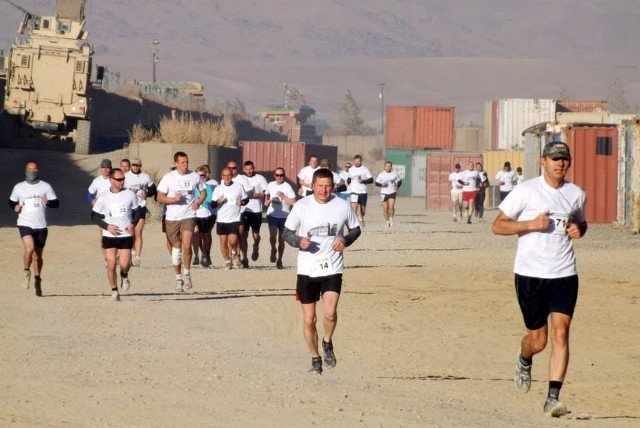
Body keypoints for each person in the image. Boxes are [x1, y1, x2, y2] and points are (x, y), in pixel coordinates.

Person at [492, 142, 587, 417]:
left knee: (561, 332)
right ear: (543, 161)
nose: (560, 163)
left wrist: (579, 229)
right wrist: (530, 224)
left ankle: (553, 397)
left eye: (565, 159)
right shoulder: (526, 191)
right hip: (530, 275)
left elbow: (581, 223)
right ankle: (524, 358)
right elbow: (498, 226)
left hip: (564, 274)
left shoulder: (576, 194)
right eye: (555, 159)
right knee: (538, 341)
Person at [283, 168, 362, 374]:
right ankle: (315, 357)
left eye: (328, 186)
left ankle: (327, 341)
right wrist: (299, 241)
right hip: (307, 269)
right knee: (310, 319)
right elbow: (287, 233)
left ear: (332, 186)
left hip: (332, 267)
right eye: (320, 186)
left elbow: (356, 229)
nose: (324, 190)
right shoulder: (301, 206)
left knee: (330, 313)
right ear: (312, 186)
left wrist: (345, 239)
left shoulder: (342, 206)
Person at [156, 152, 207, 291]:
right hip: (172, 218)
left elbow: (203, 192)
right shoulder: (168, 178)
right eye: (183, 162)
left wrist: (198, 202)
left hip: (188, 215)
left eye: (187, 162)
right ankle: (178, 278)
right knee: (176, 250)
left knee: (187, 244)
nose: (186, 165)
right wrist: (172, 200)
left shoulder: (194, 176)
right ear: (176, 163)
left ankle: (187, 273)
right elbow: (159, 197)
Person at [9, 160, 59, 297]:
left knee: (38, 256)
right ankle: (26, 272)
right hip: (25, 223)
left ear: (38, 171)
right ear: (26, 171)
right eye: (29, 170)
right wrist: (15, 207)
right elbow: (12, 201)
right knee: (29, 249)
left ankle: (37, 279)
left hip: (41, 226)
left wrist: (47, 202)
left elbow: (56, 203)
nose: (32, 172)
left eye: (34, 170)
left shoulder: (45, 187)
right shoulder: (19, 187)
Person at [91, 168, 141, 301]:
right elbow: (94, 216)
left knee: (124, 264)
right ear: (111, 180)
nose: (122, 181)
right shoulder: (104, 197)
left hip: (125, 235)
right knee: (111, 263)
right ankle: (114, 290)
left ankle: (124, 275)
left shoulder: (130, 194)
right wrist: (107, 226)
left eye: (123, 179)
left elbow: (138, 211)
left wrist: (133, 224)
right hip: (109, 235)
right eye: (119, 179)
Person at [211, 167, 248, 270]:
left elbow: (246, 199)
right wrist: (218, 201)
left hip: (234, 218)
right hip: (222, 219)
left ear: (232, 176)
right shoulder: (218, 188)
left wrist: (241, 202)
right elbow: (213, 205)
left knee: (233, 240)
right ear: (222, 176)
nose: (227, 178)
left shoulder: (238, 187)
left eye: (229, 175)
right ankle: (228, 261)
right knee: (223, 242)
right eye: (225, 175)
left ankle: (234, 252)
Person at [124, 158, 156, 267]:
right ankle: (131, 252)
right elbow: (119, 189)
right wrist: (128, 192)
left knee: (138, 231)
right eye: (133, 165)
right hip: (129, 207)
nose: (135, 167)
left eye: (137, 165)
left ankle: (137, 257)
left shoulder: (145, 177)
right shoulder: (126, 176)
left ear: (140, 166)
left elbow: (153, 189)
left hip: (141, 206)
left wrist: (146, 194)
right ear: (131, 165)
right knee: (130, 231)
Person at [264, 167, 297, 269]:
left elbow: (294, 202)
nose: (279, 177)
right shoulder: (270, 185)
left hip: (284, 216)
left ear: (284, 176)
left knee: (281, 239)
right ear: (274, 176)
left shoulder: (288, 187)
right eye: (277, 175)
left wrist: (283, 197)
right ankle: (273, 249)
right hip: (272, 214)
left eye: (281, 175)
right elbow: (266, 199)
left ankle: (280, 260)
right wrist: (267, 201)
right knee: (273, 236)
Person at [241, 160, 268, 267]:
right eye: (246, 169)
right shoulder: (241, 179)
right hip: (245, 210)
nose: (248, 171)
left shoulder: (260, 178)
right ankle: (245, 258)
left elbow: (266, 193)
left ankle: (256, 246)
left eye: (250, 169)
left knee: (256, 235)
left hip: (256, 210)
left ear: (254, 168)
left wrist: (254, 195)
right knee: (244, 235)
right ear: (243, 169)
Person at [227, 160, 253, 268]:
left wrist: (241, 198)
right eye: (230, 168)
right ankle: (233, 257)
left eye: (234, 168)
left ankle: (244, 257)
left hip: (241, 211)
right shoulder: (224, 179)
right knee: (231, 237)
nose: (232, 170)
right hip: (228, 212)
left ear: (237, 168)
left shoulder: (242, 179)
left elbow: (250, 194)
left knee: (241, 236)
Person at [191, 165, 217, 268]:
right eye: (197, 175)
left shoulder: (209, 187)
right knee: (195, 233)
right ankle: (198, 255)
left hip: (206, 213)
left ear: (206, 175)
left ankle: (205, 253)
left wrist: (199, 203)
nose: (199, 178)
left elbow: (209, 200)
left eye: (201, 176)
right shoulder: (192, 186)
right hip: (193, 214)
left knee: (205, 235)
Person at [347, 154, 373, 226]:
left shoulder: (365, 169)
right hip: (354, 191)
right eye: (356, 161)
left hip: (363, 192)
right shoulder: (351, 169)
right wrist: (348, 183)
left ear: (361, 161)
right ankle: (354, 224)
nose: (357, 163)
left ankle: (361, 217)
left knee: (363, 210)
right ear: (354, 161)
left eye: (358, 161)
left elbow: (371, 180)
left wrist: (363, 181)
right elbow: (349, 179)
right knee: (354, 208)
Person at [375, 161, 402, 228]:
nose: (388, 167)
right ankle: (387, 221)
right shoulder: (381, 174)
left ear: (391, 167)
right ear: (384, 167)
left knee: (391, 207)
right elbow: (376, 183)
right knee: (385, 208)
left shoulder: (394, 174)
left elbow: (400, 181)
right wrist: (382, 184)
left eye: (389, 166)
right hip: (383, 193)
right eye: (387, 166)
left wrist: (397, 187)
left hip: (392, 192)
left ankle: (391, 219)